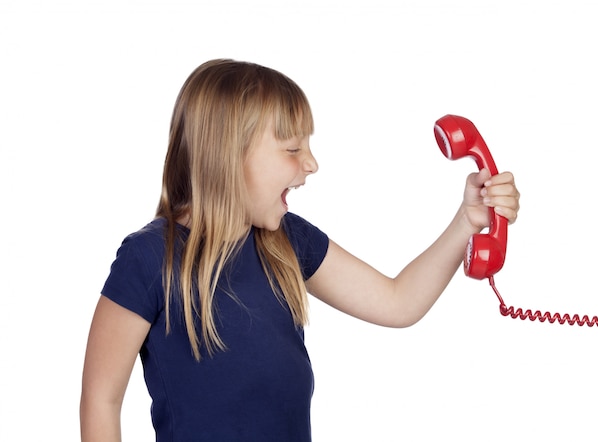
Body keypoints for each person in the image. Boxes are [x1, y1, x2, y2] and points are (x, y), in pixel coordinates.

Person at [79, 58, 520, 442]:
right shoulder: (148, 259)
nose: (311, 163)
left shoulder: (287, 241)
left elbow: (398, 301)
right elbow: (101, 400)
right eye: (292, 149)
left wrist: (467, 221)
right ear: (228, 156)